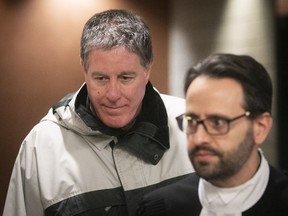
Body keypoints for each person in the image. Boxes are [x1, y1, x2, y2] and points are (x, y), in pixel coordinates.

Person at [3, 9, 193, 216]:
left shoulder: (192, 125)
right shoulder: (40, 147)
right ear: (84, 69)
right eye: (101, 78)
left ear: (147, 70)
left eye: (125, 78)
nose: (112, 94)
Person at [136, 53, 288, 216]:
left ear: (260, 127)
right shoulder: (161, 208)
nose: (199, 138)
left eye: (218, 122)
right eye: (192, 120)